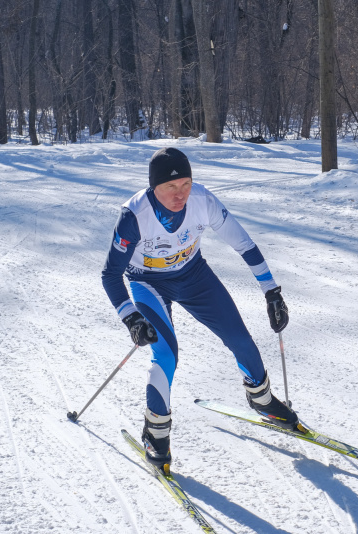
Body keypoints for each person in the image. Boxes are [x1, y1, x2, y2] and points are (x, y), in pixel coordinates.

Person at [101, 147, 298, 469]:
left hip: (194, 276)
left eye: (186, 185)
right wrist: (130, 317)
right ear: (154, 188)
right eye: (170, 187)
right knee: (165, 354)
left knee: (240, 338)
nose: (180, 195)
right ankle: (156, 432)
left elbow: (244, 244)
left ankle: (262, 401)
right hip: (149, 283)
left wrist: (271, 291)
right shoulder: (134, 216)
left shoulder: (203, 201)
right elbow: (110, 274)